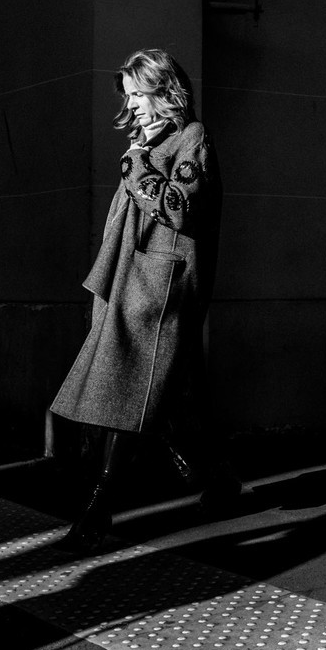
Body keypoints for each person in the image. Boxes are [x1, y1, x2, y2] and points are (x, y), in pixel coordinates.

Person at [49, 48, 237, 553]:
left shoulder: (191, 137)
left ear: (163, 91)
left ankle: (99, 506)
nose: (131, 105)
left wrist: (136, 163)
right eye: (128, 96)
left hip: (163, 287)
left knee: (132, 387)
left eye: (138, 94)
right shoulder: (146, 139)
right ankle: (214, 475)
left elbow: (179, 209)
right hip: (133, 279)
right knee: (173, 390)